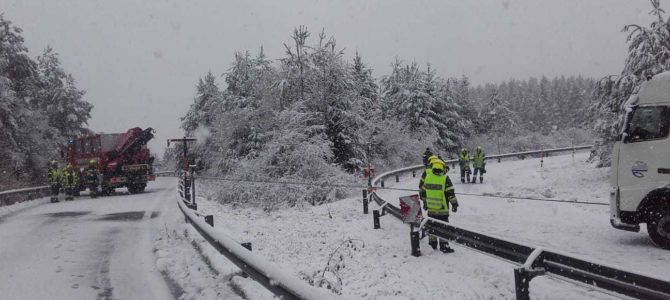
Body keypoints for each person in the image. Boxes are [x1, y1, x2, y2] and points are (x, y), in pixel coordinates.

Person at [419, 159, 458, 253]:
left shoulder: (428, 178)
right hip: (442, 209)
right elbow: (450, 193)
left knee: (432, 225)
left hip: (431, 209)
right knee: (443, 227)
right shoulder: (445, 178)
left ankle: (432, 244)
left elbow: (423, 192)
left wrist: (425, 203)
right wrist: (454, 204)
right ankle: (444, 245)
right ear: (442, 168)